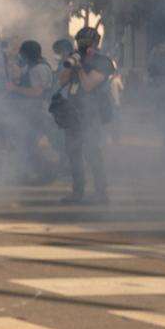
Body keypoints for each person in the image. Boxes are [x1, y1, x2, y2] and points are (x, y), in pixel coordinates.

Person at [56, 26, 114, 204]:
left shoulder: (103, 62)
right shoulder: (75, 58)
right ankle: (77, 191)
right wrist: (70, 63)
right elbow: (62, 80)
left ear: (96, 44)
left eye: (87, 43)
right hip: (73, 112)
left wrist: (80, 68)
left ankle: (101, 193)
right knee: (73, 153)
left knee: (92, 153)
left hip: (92, 113)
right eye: (80, 43)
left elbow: (89, 85)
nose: (83, 47)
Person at [5, 39, 57, 182]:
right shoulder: (35, 66)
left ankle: (46, 172)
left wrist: (15, 89)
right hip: (32, 111)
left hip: (37, 111)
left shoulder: (38, 69)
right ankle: (29, 174)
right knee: (27, 144)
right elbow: (20, 76)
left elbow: (37, 92)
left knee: (31, 143)